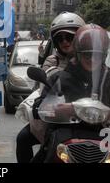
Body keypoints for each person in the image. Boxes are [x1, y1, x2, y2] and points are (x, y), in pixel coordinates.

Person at [31, 24, 110, 162]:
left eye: (98, 55)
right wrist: (49, 108)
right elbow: (40, 106)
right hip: (65, 133)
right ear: (77, 54)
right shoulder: (59, 77)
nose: (93, 59)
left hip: (102, 133)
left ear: (104, 56)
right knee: (45, 151)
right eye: (87, 55)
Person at [16, 12, 85, 163]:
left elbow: (106, 83)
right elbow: (43, 90)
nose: (65, 41)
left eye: (69, 37)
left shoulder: (90, 61)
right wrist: (41, 104)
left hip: (89, 120)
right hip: (59, 121)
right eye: (60, 38)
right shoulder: (51, 63)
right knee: (23, 139)